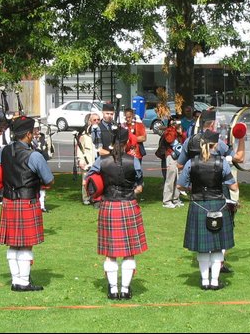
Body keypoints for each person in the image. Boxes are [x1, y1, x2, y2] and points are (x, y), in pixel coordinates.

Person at [87, 126, 147, 299]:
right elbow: (139, 184)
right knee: (129, 252)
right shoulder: (134, 161)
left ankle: (113, 290)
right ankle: (126, 289)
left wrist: (99, 192)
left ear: (111, 142)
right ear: (127, 141)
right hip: (128, 205)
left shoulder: (101, 161)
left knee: (110, 253)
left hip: (108, 206)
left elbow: (90, 180)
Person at [0, 116, 55, 291]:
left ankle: (16, 279)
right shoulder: (34, 156)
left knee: (13, 243)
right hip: (26, 201)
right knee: (25, 243)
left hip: (8, 201)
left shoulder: (4, 151)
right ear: (29, 134)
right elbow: (49, 180)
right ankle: (23, 281)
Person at [178, 129, 238, 290]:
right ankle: (215, 281)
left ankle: (204, 281)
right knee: (217, 246)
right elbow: (233, 186)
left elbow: (180, 185)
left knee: (202, 247)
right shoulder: (222, 162)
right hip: (218, 204)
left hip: (198, 205)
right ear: (215, 144)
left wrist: (194, 188)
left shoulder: (192, 162)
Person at [159, 116, 185, 208]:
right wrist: (174, 129)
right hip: (171, 155)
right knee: (170, 177)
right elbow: (169, 139)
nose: (176, 123)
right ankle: (167, 201)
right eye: (173, 121)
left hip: (180, 155)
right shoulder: (169, 130)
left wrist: (180, 133)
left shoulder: (180, 129)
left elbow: (184, 140)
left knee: (179, 177)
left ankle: (176, 198)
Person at [77, 112, 100, 205]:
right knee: (86, 180)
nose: (97, 121)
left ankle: (96, 196)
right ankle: (86, 198)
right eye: (94, 120)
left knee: (98, 180)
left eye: (98, 120)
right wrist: (81, 160)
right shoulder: (85, 135)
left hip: (98, 161)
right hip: (88, 161)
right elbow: (80, 148)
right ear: (90, 121)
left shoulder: (102, 133)